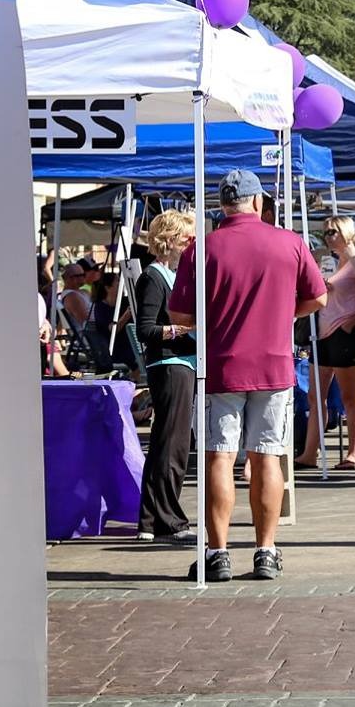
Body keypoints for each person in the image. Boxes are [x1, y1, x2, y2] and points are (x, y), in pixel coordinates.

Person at [169, 170, 326, 582]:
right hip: (274, 364)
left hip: (221, 364)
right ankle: (266, 551)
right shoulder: (290, 242)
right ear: (258, 203)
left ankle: (218, 553)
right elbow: (319, 296)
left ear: (222, 205)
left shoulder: (201, 249)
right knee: (267, 456)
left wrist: (217, 316)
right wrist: (283, 314)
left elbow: (180, 315)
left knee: (218, 456)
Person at [131, 209, 200, 544]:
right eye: (186, 240)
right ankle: (168, 519)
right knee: (172, 444)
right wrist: (182, 329)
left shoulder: (168, 276)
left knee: (165, 443)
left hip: (179, 362)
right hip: (170, 364)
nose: (191, 245)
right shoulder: (153, 277)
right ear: (171, 241)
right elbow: (145, 329)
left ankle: (149, 519)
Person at [298, 216, 355, 470]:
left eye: (334, 232)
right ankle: (310, 451)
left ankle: (354, 453)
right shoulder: (328, 262)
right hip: (322, 332)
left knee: (350, 397)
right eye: (326, 232)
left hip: (347, 333)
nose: (329, 236)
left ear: (347, 233)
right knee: (315, 396)